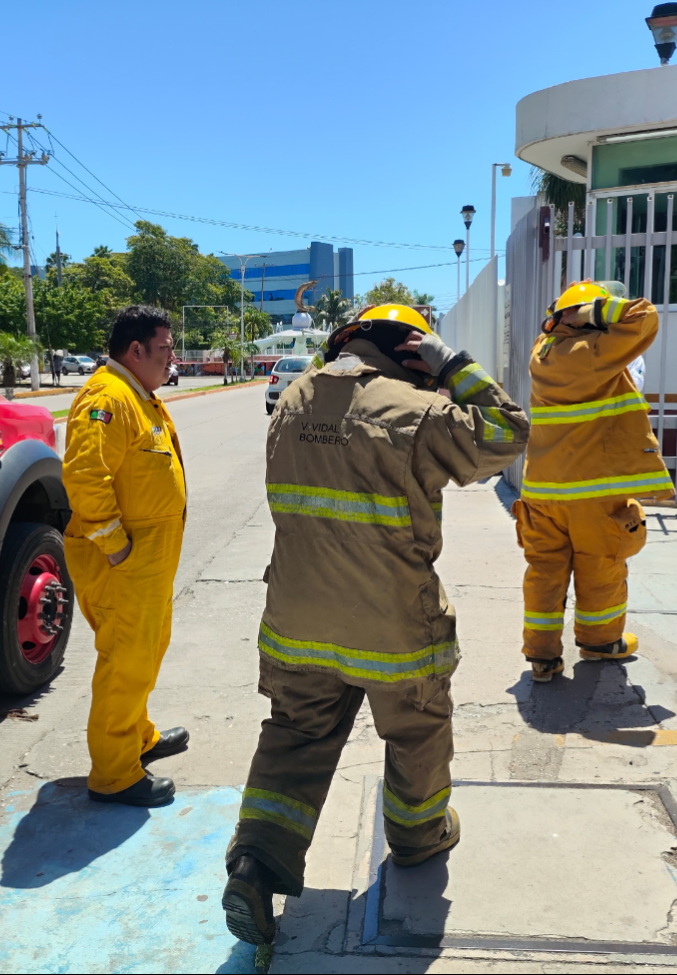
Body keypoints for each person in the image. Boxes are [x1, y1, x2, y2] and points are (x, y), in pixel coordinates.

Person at [222, 304, 529, 946]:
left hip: (297, 620)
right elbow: (506, 434)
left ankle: (255, 862)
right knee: (416, 730)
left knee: (295, 738)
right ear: (412, 353)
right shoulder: (418, 412)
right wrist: (457, 369)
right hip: (393, 626)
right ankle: (418, 838)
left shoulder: (293, 398)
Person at [515, 281, 674, 684]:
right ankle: (600, 642)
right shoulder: (594, 353)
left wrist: (570, 314)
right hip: (591, 494)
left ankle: (542, 656)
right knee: (600, 567)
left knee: (545, 572)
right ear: (586, 316)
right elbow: (645, 317)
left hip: (541, 493)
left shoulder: (543, 352)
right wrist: (594, 312)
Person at [62, 306, 189, 806]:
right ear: (134, 350)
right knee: (125, 660)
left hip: (147, 562)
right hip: (124, 561)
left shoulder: (140, 396)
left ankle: (138, 737)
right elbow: (85, 477)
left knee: (146, 649)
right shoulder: (108, 397)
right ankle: (114, 773)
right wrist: (116, 549)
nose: (171, 358)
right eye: (164, 349)